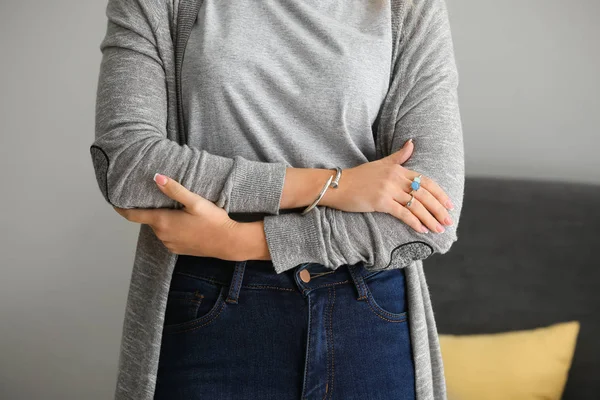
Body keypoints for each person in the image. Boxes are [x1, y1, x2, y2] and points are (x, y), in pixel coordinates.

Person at [89, 0, 464, 398]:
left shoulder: (407, 7)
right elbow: (127, 165)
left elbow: (432, 217)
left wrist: (243, 240)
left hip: (366, 312)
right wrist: (335, 185)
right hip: (211, 311)